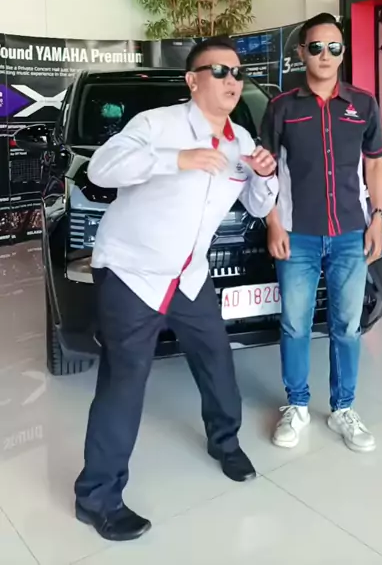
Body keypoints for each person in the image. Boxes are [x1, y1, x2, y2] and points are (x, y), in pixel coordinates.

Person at [74, 37, 278, 542]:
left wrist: (265, 176)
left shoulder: (240, 140)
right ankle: (96, 498)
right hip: (133, 271)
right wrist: (177, 159)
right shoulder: (156, 125)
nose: (232, 81)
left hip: (188, 274)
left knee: (217, 359)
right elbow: (101, 169)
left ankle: (225, 443)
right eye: (220, 71)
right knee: (125, 382)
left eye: (238, 73)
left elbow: (257, 206)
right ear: (193, 80)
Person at [261, 13, 382, 453]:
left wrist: (377, 218)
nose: (325, 55)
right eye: (316, 47)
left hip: (351, 233)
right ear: (302, 53)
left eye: (334, 47)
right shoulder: (282, 108)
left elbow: (375, 164)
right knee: (295, 325)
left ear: (342, 53)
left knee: (347, 326)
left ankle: (343, 408)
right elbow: (264, 171)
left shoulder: (363, 105)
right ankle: (296, 405)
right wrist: (272, 222)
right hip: (297, 236)